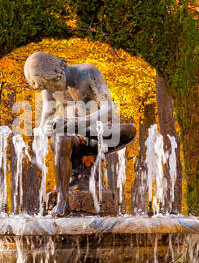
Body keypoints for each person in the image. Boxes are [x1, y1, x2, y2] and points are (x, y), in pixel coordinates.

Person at [23, 51, 137, 216]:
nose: (50, 91)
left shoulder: (88, 72)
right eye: (46, 88)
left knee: (130, 130)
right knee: (61, 137)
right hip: (72, 142)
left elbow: (109, 109)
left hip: (97, 136)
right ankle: (63, 199)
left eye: (51, 85)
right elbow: (44, 123)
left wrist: (79, 124)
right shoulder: (48, 88)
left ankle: (78, 132)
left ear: (58, 73)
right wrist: (45, 129)